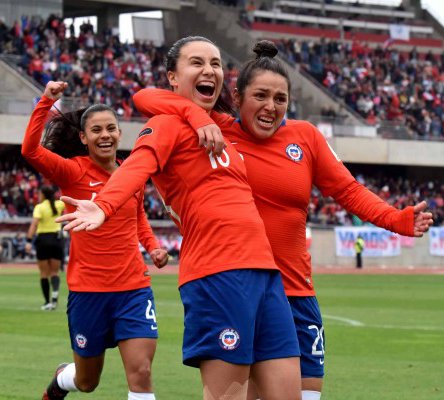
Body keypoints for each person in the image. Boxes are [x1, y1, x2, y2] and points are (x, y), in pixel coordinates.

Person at [130, 39, 433, 400]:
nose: (270, 107)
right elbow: (147, 97)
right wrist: (196, 115)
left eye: (280, 99)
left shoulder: (305, 137)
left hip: (296, 291)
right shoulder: (217, 129)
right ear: (237, 97)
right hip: (235, 287)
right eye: (260, 96)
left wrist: (396, 219)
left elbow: (349, 191)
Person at [55, 36, 302, 400]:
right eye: (197, 62)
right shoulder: (166, 125)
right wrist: (105, 205)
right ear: (173, 77)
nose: (209, 70)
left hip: (265, 273)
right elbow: (138, 157)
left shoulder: (221, 126)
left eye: (216, 63)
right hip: (219, 273)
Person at [21, 81, 169, 400]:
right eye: (97, 130)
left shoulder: (132, 173)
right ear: (83, 138)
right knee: (88, 382)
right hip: (89, 292)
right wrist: (46, 101)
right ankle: (62, 379)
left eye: (111, 128)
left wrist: (154, 246)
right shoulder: (72, 172)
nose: (105, 135)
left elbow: (138, 216)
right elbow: (30, 150)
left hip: (133, 289)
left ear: (119, 133)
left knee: (141, 373)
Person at [26, 185, 65, 310]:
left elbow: (34, 224)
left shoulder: (39, 207)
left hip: (43, 240)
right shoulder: (59, 205)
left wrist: (28, 240)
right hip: (56, 240)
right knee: (55, 272)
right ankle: (54, 299)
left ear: (43, 194)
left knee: (44, 273)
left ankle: (47, 302)